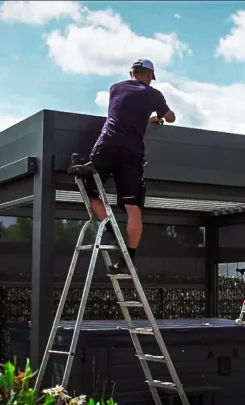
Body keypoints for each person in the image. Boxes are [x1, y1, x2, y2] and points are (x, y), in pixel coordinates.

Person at [83, 58, 176, 274]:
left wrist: (147, 119)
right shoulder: (153, 94)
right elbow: (170, 118)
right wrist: (158, 116)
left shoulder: (115, 88)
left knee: (90, 189)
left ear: (131, 72)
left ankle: (109, 228)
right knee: (133, 207)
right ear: (150, 76)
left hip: (107, 145)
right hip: (132, 153)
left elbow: (124, 114)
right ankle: (129, 259)